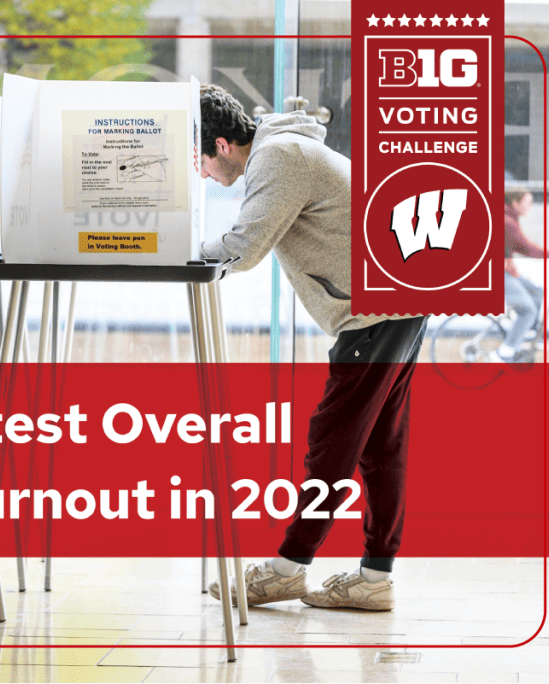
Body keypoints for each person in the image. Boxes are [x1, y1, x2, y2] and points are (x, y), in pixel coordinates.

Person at [198, 84, 428, 611]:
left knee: (334, 440)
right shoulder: (285, 151)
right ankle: (375, 578)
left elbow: (244, 247)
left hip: (375, 310)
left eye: (202, 161)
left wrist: (178, 253)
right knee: (378, 445)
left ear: (222, 144)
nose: (203, 174)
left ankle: (288, 567)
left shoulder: (278, 157)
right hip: (395, 301)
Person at [495, 187, 549, 362]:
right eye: (527, 202)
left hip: (504, 271)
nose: (530, 207)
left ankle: (526, 334)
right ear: (515, 203)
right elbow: (527, 247)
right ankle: (505, 351)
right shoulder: (507, 221)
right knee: (527, 310)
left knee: (536, 292)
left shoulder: (509, 218)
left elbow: (519, 246)